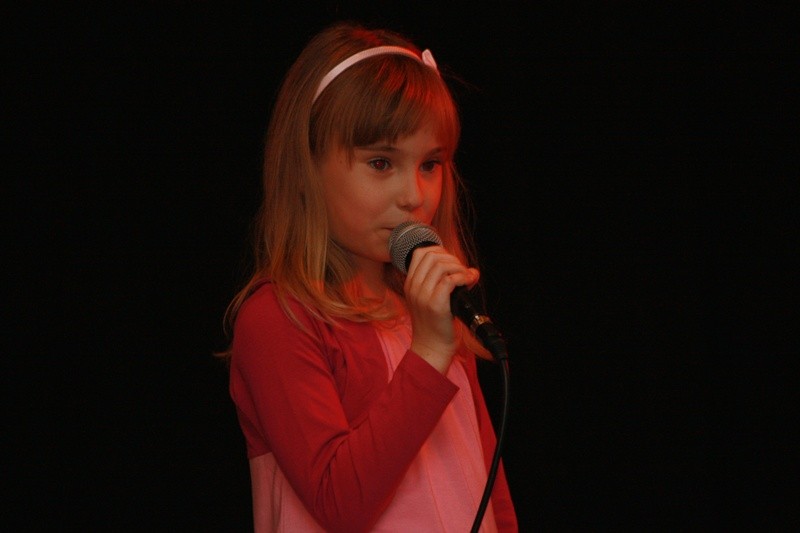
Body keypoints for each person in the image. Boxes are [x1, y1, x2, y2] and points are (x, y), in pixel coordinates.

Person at [220, 20, 518, 532]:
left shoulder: (433, 311)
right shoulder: (278, 319)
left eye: (430, 164)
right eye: (381, 163)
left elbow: (492, 494)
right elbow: (340, 503)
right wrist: (428, 354)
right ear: (307, 167)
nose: (414, 195)